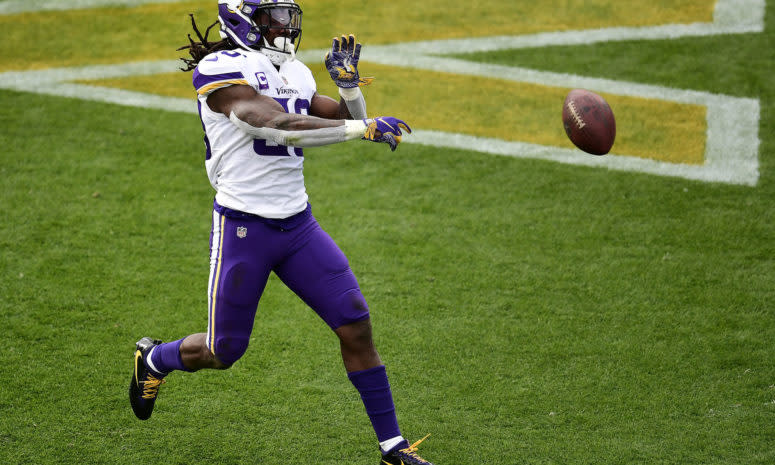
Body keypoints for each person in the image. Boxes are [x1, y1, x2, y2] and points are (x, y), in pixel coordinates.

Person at [128, 1, 434, 464]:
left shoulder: (293, 71)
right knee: (224, 349)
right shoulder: (220, 68)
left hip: (298, 225)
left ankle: (392, 446)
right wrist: (362, 127)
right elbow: (280, 127)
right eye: (273, 17)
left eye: (288, 16)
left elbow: (335, 118)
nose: (285, 26)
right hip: (243, 227)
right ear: (243, 19)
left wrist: (350, 91)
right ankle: (155, 360)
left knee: (355, 324)